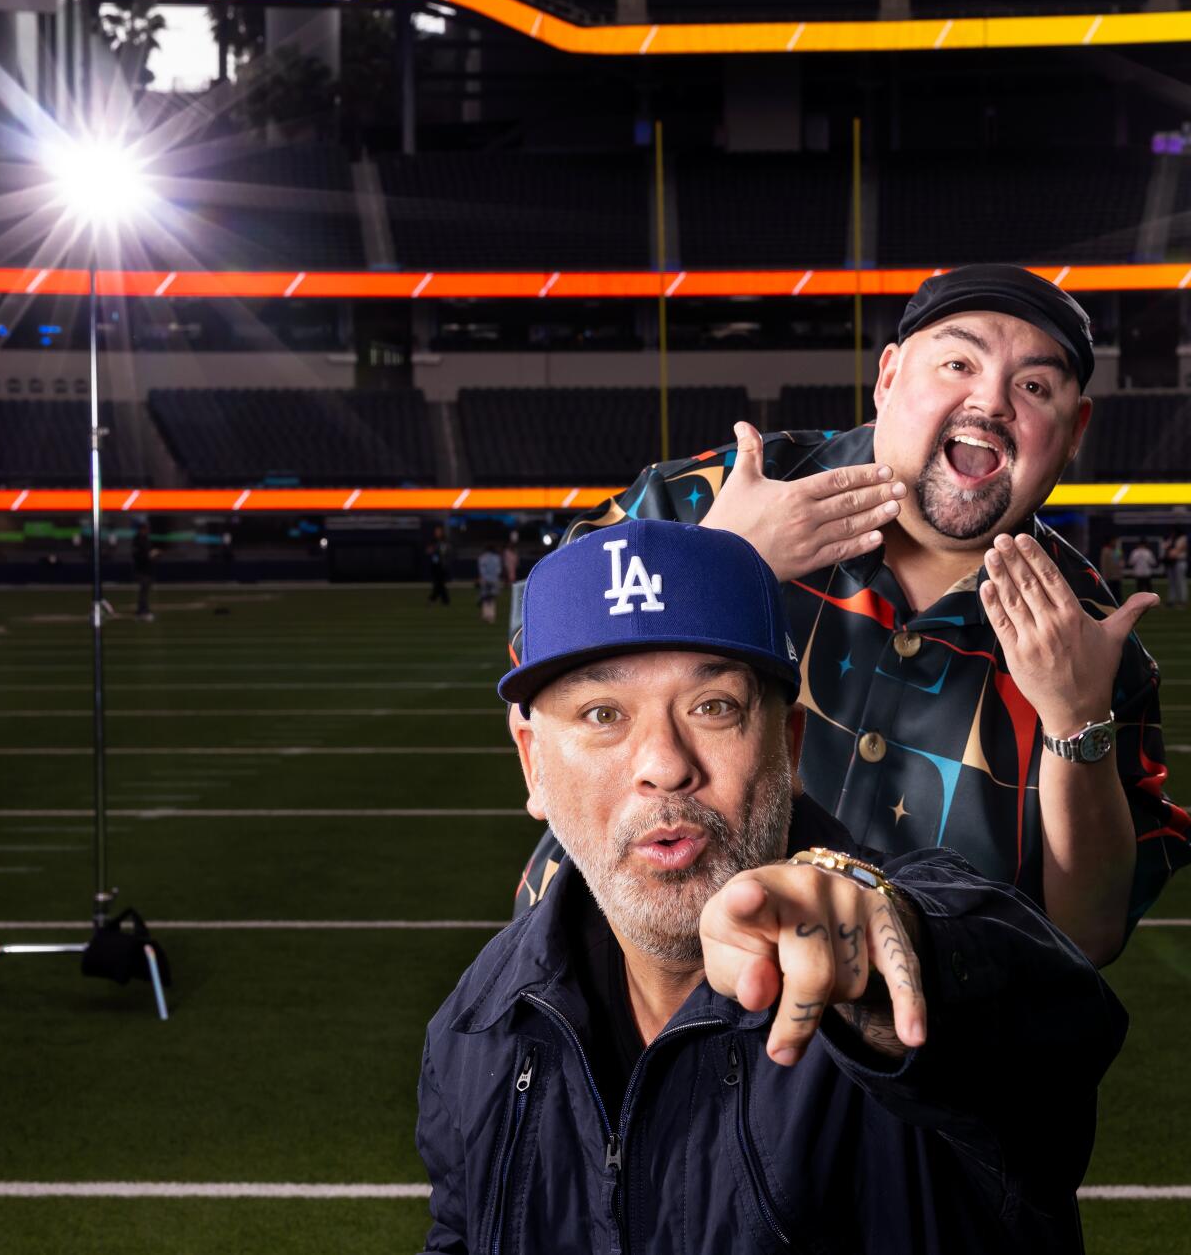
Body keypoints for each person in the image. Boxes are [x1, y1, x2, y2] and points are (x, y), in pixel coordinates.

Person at [420, 519, 1126, 1254]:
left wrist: (884, 971)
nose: (664, 764)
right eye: (603, 715)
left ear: (789, 747)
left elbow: (1050, 1021)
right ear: (533, 764)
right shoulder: (476, 1029)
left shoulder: (910, 922)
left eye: (713, 707)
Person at [513, 264, 1191, 968]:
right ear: (890, 375)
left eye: (1034, 386)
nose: (989, 401)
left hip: (905, 1052)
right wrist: (719, 563)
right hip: (612, 992)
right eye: (958, 363)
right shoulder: (721, 496)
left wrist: (1076, 721)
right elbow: (538, 660)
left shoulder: (1089, 639)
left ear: (1074, 429)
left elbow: (1089, 937)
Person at [131, 520, 157, 622]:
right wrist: (150, 555)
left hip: (146, 569)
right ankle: (143, 611)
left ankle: (142, 610)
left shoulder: (143, 539)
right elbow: (139, 556)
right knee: (143, 592)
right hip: (142, 569)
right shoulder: (138, 540)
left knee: (144, 592)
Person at [476, 542, 503, 623]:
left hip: (485, 580)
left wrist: (485, 578)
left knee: (485, 598)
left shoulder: (482, 558)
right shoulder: (497, 558)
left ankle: (485, 615)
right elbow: (498, 570)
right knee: (492, 598)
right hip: (494, 580)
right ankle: (491, 616)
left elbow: (482, 570)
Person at [425, 524, 451, 606]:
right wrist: (431, 550)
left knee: (439, 583)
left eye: (438, 531)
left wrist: (434, 550)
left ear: (442, 532)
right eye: (436, 531)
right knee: (439, 583)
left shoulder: (443, 541)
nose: (437, 533)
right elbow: (428, 551)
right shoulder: (434, 541)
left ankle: (433, 599)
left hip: (442, 565)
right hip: (435, 564)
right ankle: (445, 600)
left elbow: (443, 552)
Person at [1165, 529, 1190, 608]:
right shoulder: (1172, 539)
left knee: (1181, 582)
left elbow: (1180, 549)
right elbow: (1165, 546)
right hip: (1172, 563)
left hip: (1180, 561)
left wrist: (1172, 553)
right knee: (1172, 583)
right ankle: (1171, 601)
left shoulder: (1183, 538)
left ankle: (1183, 601)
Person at [1098, 535, 1124, 601]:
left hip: (1117, 576)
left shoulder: (1117, 550)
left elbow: (1121, 560)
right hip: (1109, 576)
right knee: (1110, 593)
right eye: (1113, 541)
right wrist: (1105, 576)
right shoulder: (1105, 550)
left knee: (1117, 593)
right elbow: (1103, 564)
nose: (1115, 542)